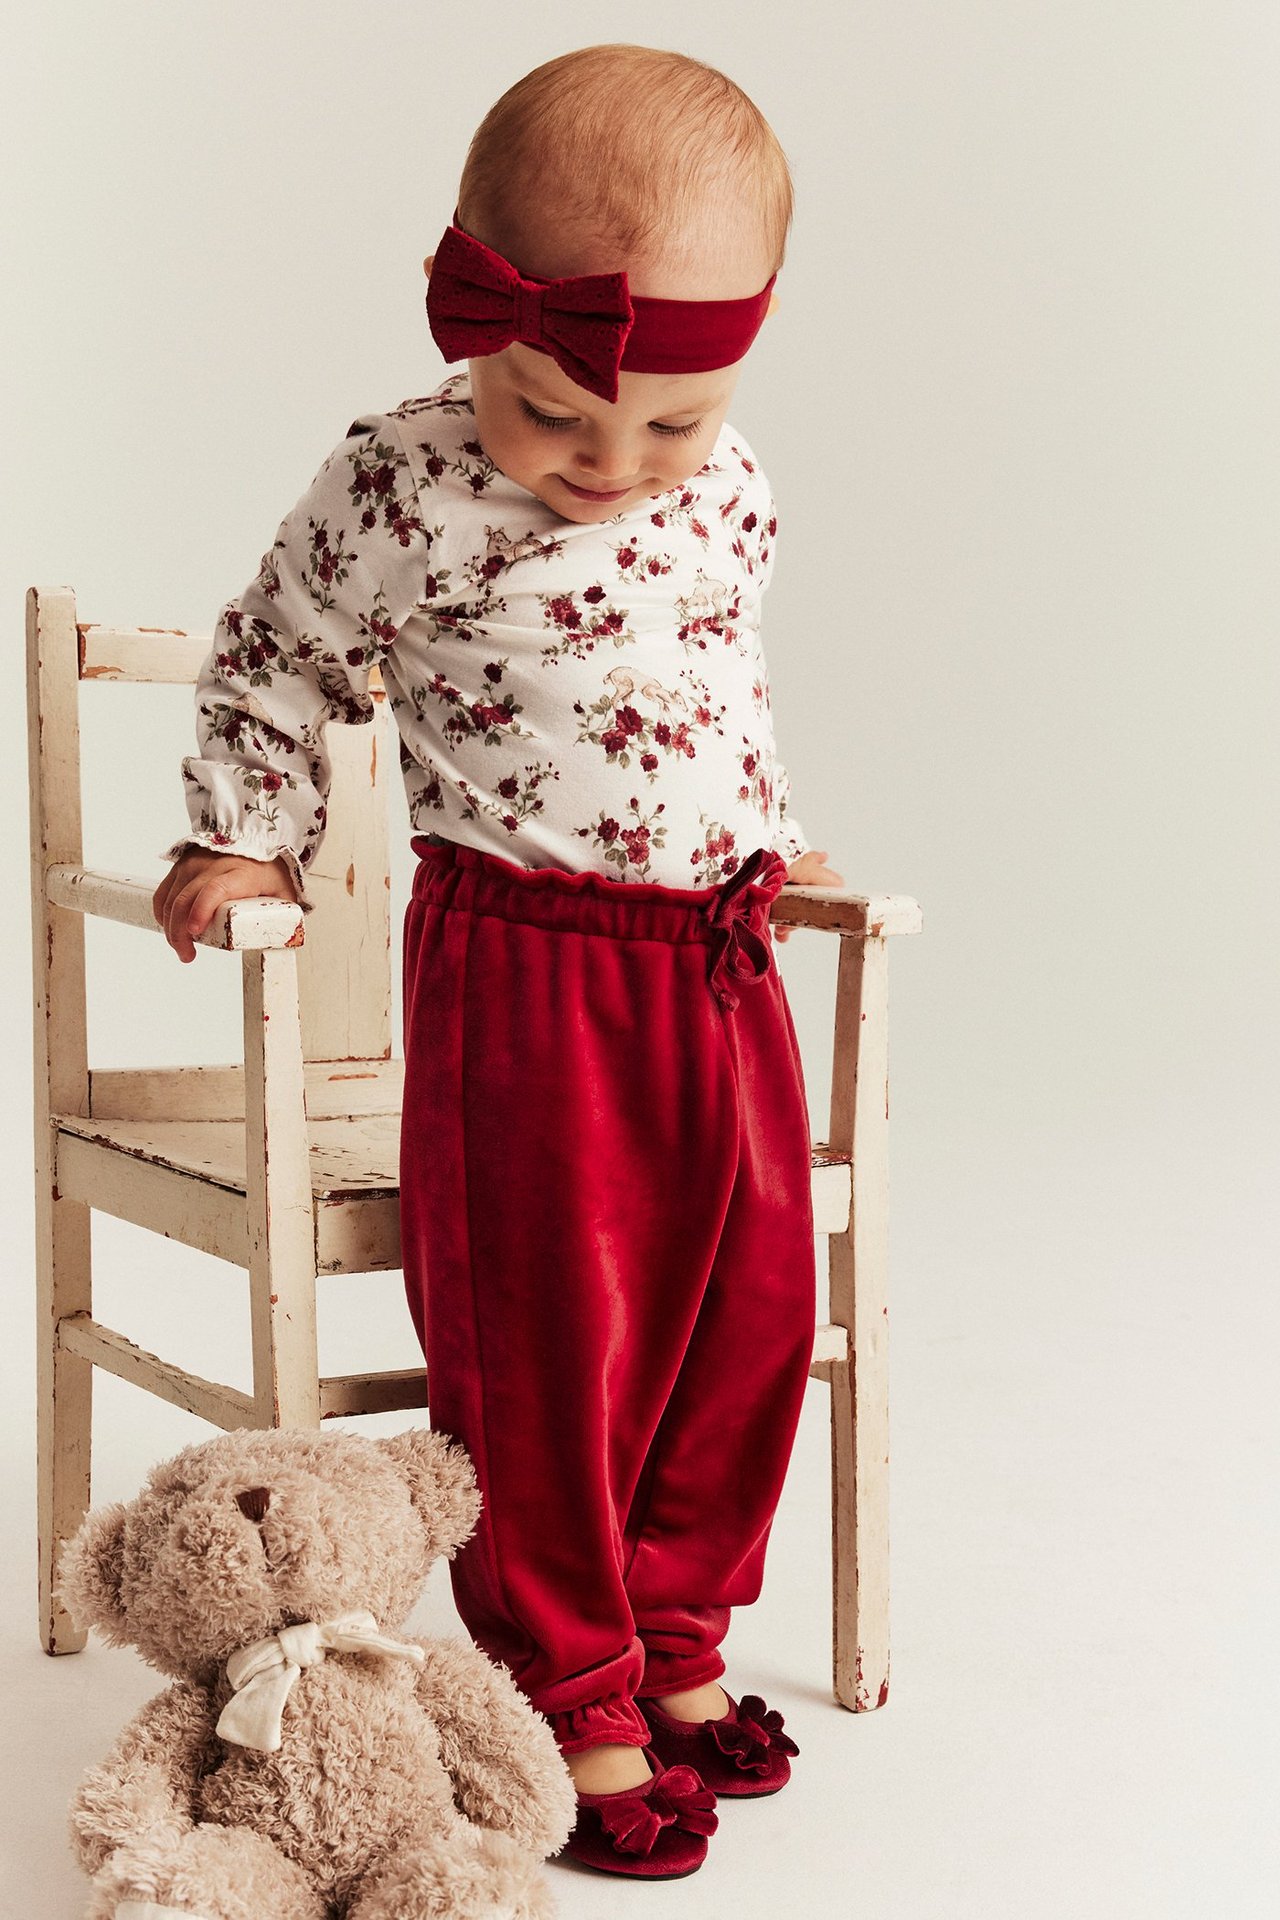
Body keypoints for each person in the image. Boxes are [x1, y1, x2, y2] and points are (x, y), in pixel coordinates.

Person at [152, 42, 845, 1878]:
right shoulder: (400, 483)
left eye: (668, 425)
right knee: (556, 1339)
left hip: (718, 953)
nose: (614, 468)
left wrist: (762, 827)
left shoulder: (733, 481)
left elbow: (708, 682)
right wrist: (243, 833)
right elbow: (276, 659)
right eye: (557, 414)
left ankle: (682, 1641)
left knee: (742, 1316)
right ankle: (574, 1680)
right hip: (530, 971)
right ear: (476, 314)